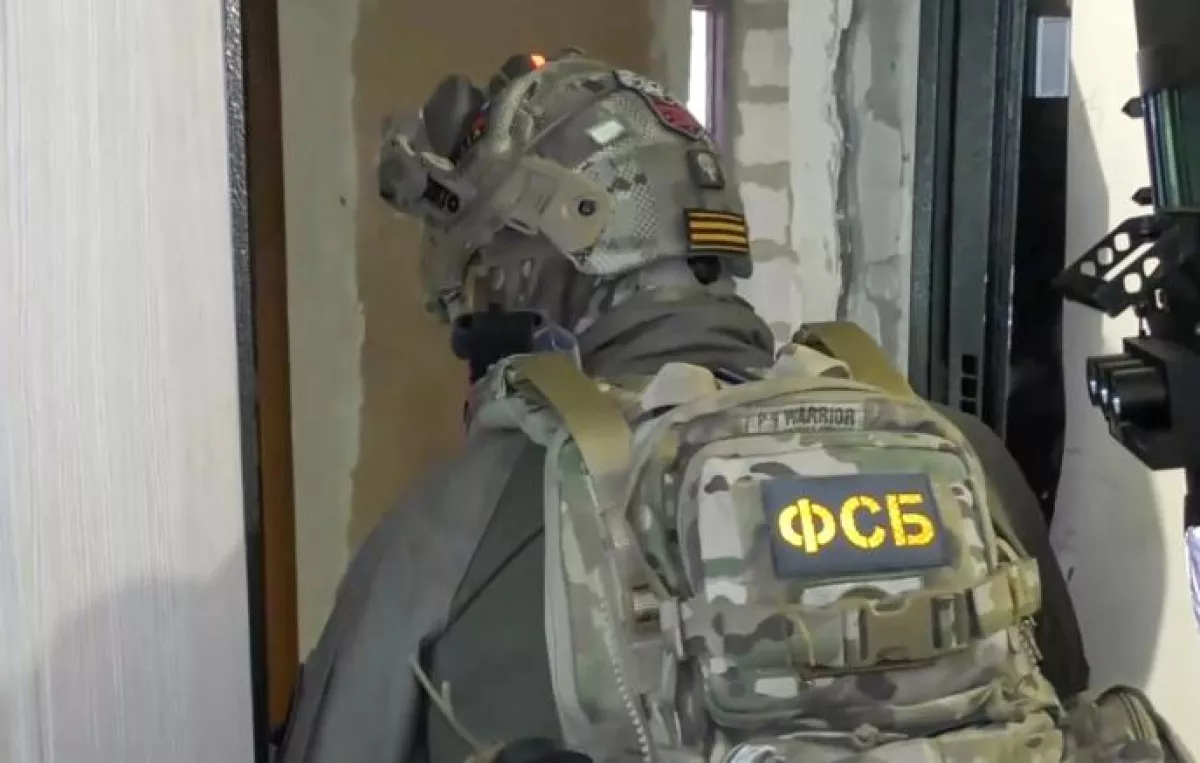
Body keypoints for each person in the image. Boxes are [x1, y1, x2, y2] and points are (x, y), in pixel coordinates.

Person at [274, 51, 1167, 763]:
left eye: (478, 290)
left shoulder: (451, 525)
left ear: (523, 272)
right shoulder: (962, 451)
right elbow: (1058, 703)